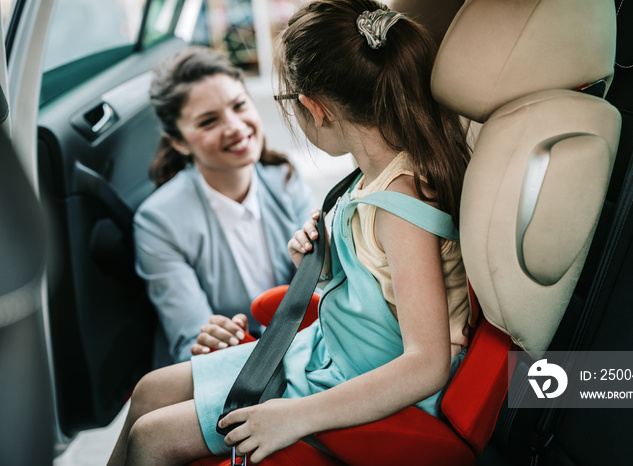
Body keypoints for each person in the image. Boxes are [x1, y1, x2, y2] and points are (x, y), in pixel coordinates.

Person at [108, 1, 470, 464]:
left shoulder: (399, 204)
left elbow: (427, 363)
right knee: (150, 389)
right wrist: (319, 263)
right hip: (327, 349)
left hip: (359, 375)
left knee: (151, 438)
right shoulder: (365, 180)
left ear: (314, 109)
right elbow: (375, 288)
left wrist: (295, 415)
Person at [133, 46, 314, 368]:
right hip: (227, 365)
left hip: (302, 348)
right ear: (179, 142)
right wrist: (212, 340)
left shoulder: (284, 178)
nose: (234, 126)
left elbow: (319, 282)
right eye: (208, 121)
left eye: (239, 105)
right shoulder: (158, 221)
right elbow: (191, 340)